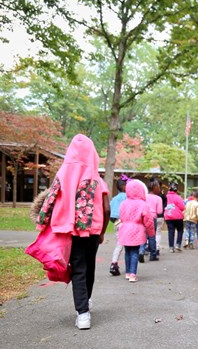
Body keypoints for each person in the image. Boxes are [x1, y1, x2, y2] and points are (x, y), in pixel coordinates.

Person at [32, 134, 110, 330]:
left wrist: (42, 221)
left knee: (78, 267)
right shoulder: (96, 178)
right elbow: (107, 208)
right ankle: (86, 300)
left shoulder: (62, 174)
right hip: (92, 229)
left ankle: (82, 313)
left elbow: (50, 199)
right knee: (89, 265)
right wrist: (102, 232)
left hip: (69, 229)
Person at [118, 180, 155, 282]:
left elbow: (121, 217)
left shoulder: (124, 203)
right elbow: (148, 220)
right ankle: (133, 274)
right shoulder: (143, 204)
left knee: (127, 252)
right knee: (134, 252)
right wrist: (151, 233)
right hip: (137, 229)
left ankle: (127, 272)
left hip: (125, 229)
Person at [108, 176, 127, 276]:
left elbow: (109, 211)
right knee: (123, 244)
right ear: (124, 187)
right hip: (124, 222)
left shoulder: (114, 199)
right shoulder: (126, 197)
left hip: (116, 222)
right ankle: (115, 264)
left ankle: (114, 263)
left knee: (119, 244)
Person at [164, 182, 185, 252]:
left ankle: (171, 247)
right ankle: (178, 244)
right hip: (178, 216)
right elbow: (182, 207)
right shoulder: (178, 197)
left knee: (171, 231)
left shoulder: (166, 197)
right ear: (176, 190)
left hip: (168, 216)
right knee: (180, 230)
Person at [148, 178, 164, 259]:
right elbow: (159, 211)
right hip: (153, 218)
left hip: (144, 217)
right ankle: (153, 254)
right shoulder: (158, 198)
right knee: (152, 236)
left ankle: (142, 250)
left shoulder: (144, 196)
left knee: (144, 235)